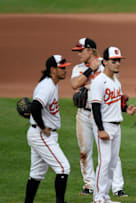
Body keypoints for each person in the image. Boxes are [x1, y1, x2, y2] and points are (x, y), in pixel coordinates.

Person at [71, 38, 128, 197]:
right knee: (85, 151)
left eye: (80, 51)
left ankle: (117, 187)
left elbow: (113, 86)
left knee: (110, 155)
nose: (79, 54)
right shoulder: (79, 68)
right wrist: (90, 70)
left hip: (103, 113)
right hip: (84, 113)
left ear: (90, 50)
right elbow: (75, 84)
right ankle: (90, 184)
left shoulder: (107, 64)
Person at [90, 46, 136, 203]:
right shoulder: (98, 81)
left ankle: (105, 196)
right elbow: (95, 107)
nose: (117, 63)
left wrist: (125, 109)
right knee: (104, 162)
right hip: (105, 125)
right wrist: (101, 129)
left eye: (119, 60)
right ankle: (98, 198)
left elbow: (115, 104)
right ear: (105, 62)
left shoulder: (116, 81)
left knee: (112, 162)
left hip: (116, 125)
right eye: (114, 61)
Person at [24, 55, 71, 203]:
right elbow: (36, 106)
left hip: (37, 133)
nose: (65, 70)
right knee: (63, 168)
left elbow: (37, 108)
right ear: (53, 69)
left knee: (36, 174)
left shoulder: (52, 83)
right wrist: (43, 127)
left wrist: (36, 119)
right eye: (62, 68)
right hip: (41, 134)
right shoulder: (47, 85)